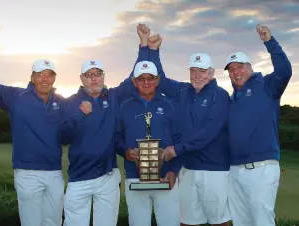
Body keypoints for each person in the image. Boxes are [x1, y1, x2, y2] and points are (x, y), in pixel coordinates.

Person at [0, 38, 90, 226]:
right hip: (27, 173)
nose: (45, 78)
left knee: (54, 221)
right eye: (40, 74)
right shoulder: (16, 97)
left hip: (54, 173)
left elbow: (66, 136)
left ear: (54, 78)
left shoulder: (62, 102)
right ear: (32, 78)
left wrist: (81, 114)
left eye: (49, 75)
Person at [61, 24, 153, 226]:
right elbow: (63, 136)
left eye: (98, 74)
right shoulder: (70, 102)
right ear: (82, 78)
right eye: (89, 74)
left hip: (107, 178)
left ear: (103, 76)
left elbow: (135, 75)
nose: (94, 78)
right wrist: (79, 114)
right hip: (79, 180)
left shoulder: (113, 97)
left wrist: (144, 43)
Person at [148, 38, 231, 225]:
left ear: (211, 73)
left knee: (219, 221)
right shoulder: (183, 90)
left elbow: (209, 133)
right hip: (188, 168)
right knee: (186, 222)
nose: (197, 75)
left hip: (214, 170)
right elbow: (160, 81)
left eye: (202, 71)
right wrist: (153, 51)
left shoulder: (221, 96)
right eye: (193, 70)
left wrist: (176, 150)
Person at [224, 24, 292, 226]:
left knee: (261, 219)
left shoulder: (267, 86)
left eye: (241, 67)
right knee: (241, 221)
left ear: (250, 67)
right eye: (232, 69)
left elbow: (284, 70)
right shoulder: (231, 99)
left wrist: (270, 42)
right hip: (235, 170)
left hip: (262, 168)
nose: (236, 72)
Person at [115, 58, 183, 226]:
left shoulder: (171, 104)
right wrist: (125, 151)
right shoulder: (124, 106)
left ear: (157, 80)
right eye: (141, 78)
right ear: (134, 81)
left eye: (150, 78)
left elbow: (180, 139)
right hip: (134, 176)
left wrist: (174, 170)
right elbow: (116, 137)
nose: (146, 82)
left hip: (166, 176)